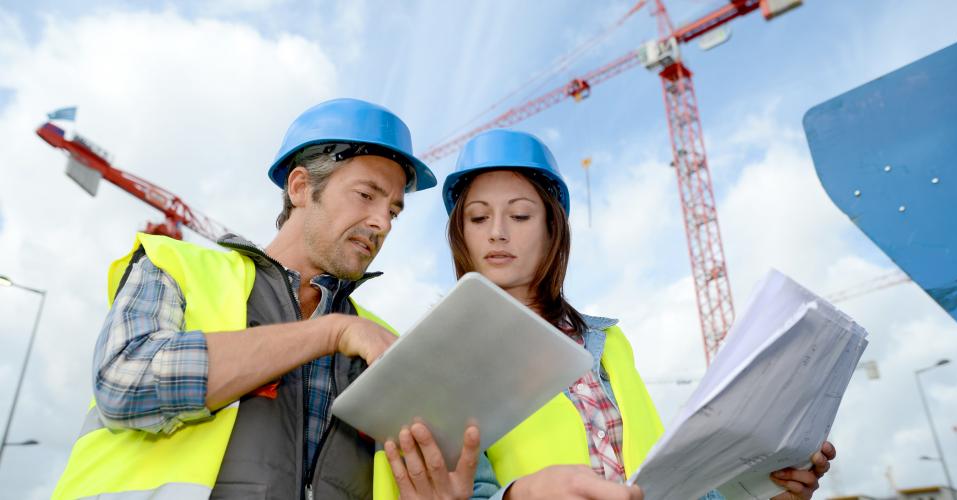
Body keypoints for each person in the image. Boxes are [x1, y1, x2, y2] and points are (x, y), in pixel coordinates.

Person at [52, 98, 480, 500]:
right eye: (367, 195)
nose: (381, 222)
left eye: (393, 211)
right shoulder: (178, 265)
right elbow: (123, 382)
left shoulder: (383, 341)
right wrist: (328, 332)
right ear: (299, 187)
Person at [383, 129, 836, 500]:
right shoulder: (444, 355)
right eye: (478, 219)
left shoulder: (609, 343)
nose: (497, 233)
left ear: (551, 230)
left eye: (520, 216)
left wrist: (762, 493)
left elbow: (667, 480)